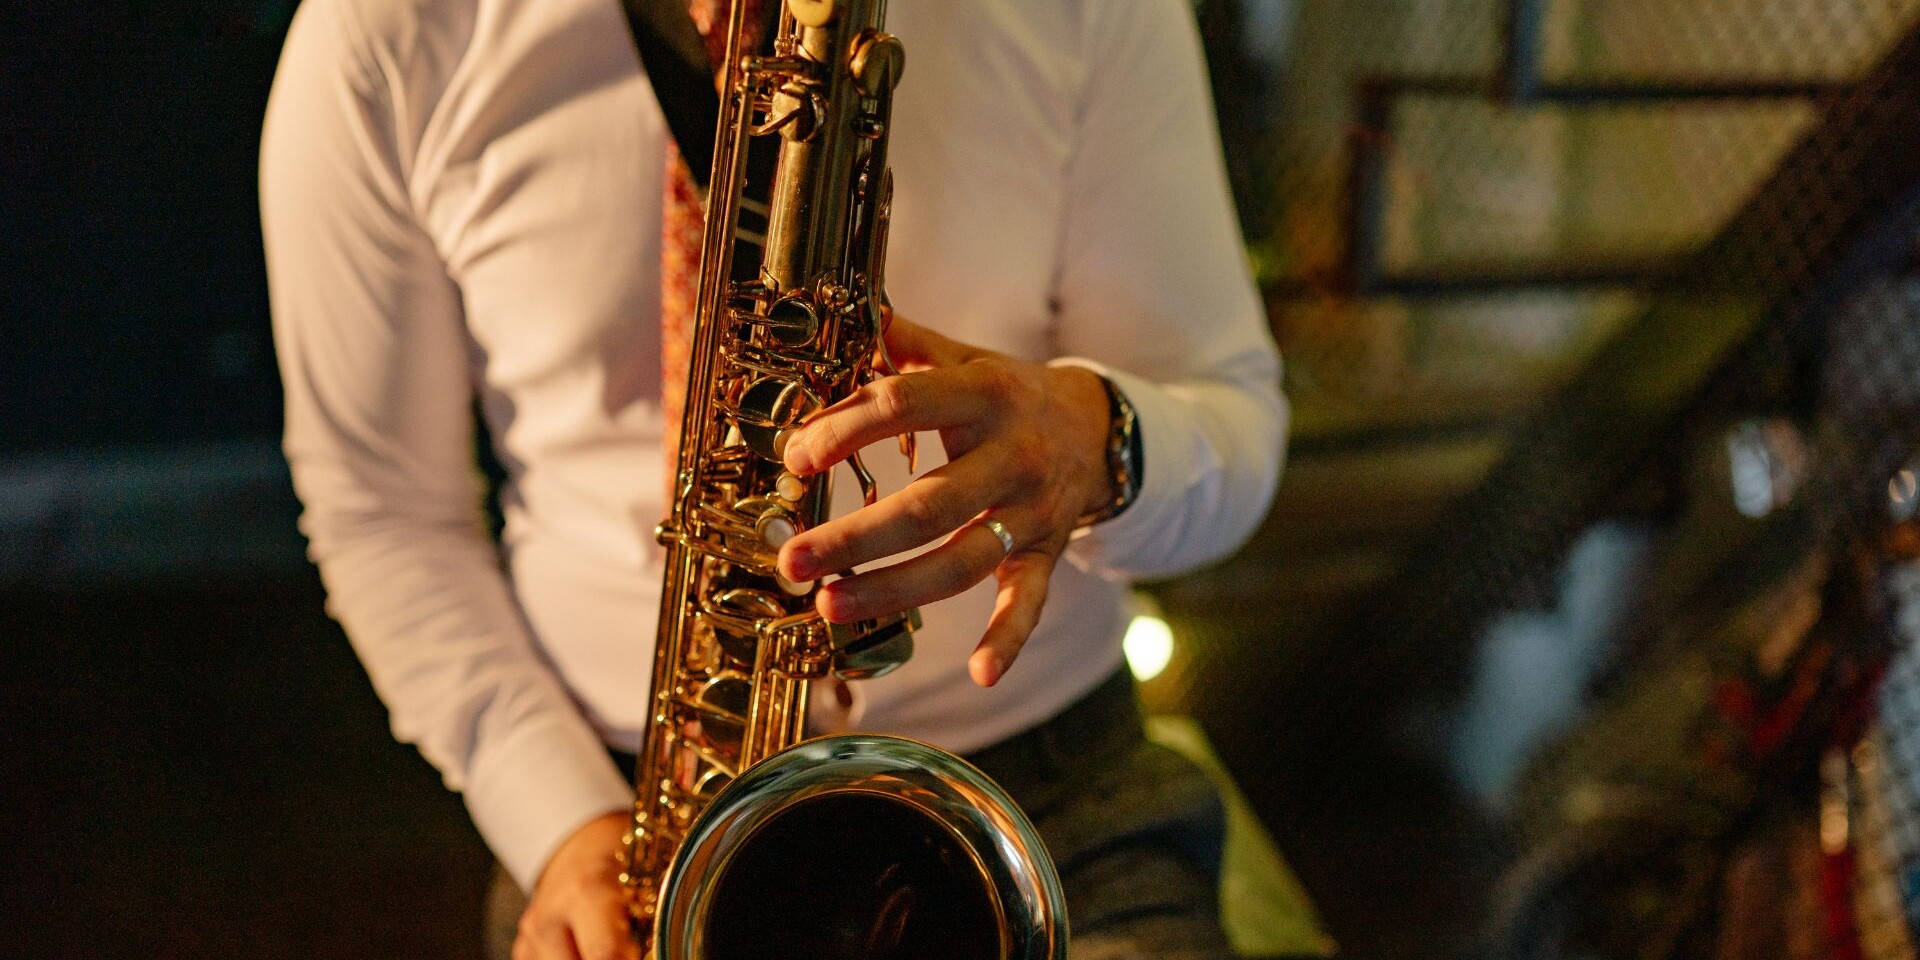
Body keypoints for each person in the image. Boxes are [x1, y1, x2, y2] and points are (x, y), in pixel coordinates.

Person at [260, 0, 1288, 957]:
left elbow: (1235, 428)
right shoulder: (385, 31)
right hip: (626, 826)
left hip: (1038, 801)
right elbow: (381, 514)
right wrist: (559, 821)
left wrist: (1098, 444)